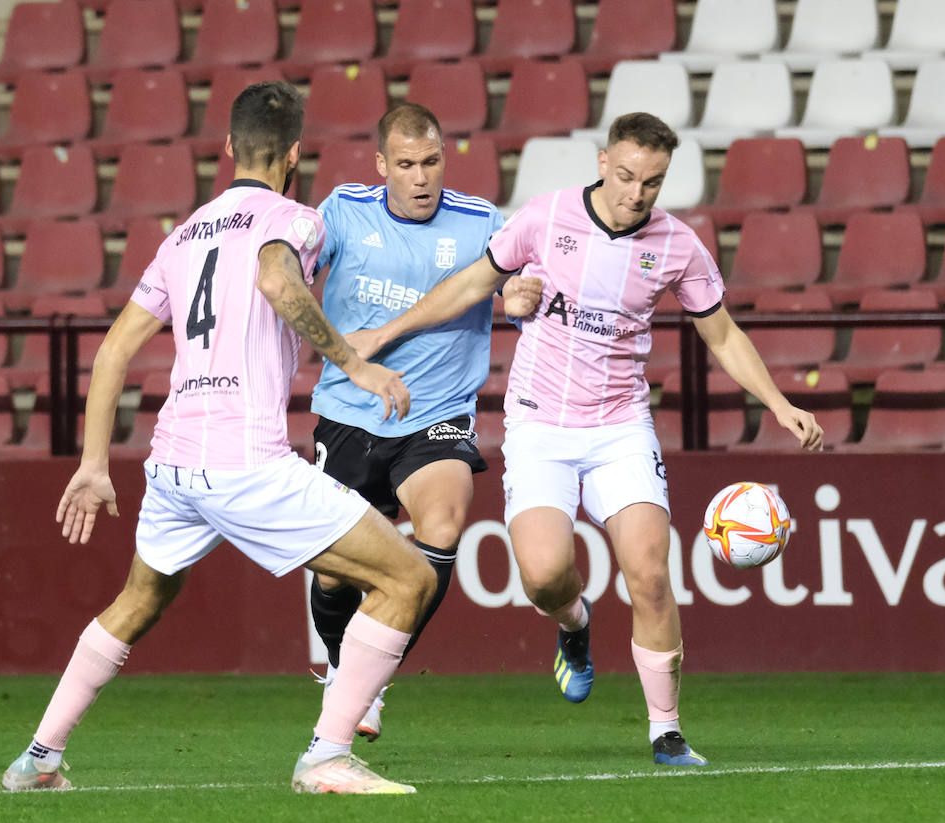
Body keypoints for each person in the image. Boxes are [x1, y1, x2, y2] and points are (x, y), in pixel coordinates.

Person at [0, 82, 439, 796]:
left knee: (138, 601)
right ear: (296, 155)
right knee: (407, 577)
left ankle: (39, 759)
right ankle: (327, 755)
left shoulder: (182, 235)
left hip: (172, 460)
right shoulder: (295, 218)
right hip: (243, 459)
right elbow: (276, 278)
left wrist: (93, 465)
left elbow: (112, 352)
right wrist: (354, 364)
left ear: (229, 148)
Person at [346, 113, 824, 766]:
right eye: (626, 176)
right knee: (543, 577)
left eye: (651, 183)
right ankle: (574, 624)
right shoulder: (546, 219)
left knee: (650, 573)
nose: (636, 193)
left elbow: (722, 334)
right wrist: (382, 336)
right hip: (540, 426)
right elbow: (469, 285)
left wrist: (780, 403)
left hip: (620, 427)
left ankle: (667, 730)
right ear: (603, 162)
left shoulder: (678, 245)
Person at [307, 103, 530, 741]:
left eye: (430, 161)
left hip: (437, 415)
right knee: (331, 571)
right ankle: (344, 664)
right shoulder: (343, 211)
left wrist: (518, 296)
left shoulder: (481, 221)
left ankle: (369, 681)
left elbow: (517, 283)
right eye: (405, 164)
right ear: (382, 167)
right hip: (349, 413)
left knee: (442, 527)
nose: (420, 176)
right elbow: (290, 283)